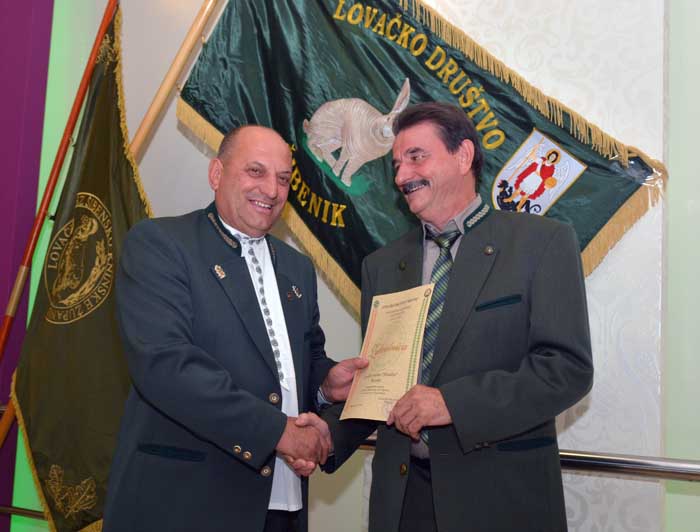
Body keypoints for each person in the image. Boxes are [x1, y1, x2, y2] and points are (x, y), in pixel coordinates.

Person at [311, 102, 593, 532]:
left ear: (463, 156)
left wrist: (453, 404)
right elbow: (384, 387)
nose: (401, 176)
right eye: (397, 165)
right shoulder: (381, 267)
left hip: (501, 504)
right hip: (405, 505)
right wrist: (324, 437)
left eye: (416, 157)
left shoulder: (541, 244)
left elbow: (566, 371)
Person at [103, 125, 365, 532]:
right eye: (255, 171)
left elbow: (300, 361)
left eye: (283, 179)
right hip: (186, 506)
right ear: (216, 174)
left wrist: (325, 385)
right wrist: (279, 433)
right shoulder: (161, 244)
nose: (272, 190)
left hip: (283, 505)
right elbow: (167, 367)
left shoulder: (297, 268)